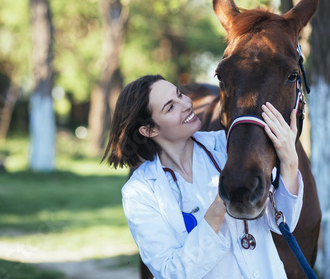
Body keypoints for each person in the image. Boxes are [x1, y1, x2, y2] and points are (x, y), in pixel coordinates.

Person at [103, 74, 303, 278]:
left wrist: (289, 159)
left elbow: (282, 221)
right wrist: (219, 204)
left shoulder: (228, 147)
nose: (187, 104)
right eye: (170, 107)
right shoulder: (140, 191)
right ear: (149, 130)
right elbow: (170, 272)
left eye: (180, 95)